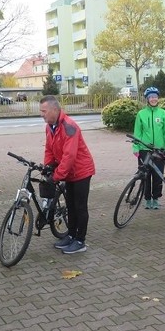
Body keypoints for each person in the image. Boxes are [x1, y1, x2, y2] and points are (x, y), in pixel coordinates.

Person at [39, 95, 96, 254]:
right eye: (40, 111)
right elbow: (49, 149)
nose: (41, 114)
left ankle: (80, 240)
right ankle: (71, 235)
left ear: (55, 110)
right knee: (70, 206)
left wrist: (56, 176)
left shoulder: (70, 127)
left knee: (80, 206)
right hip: (69, 172)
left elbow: (69, 156)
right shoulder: (50, 127)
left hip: (81, 171)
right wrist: (48, 167)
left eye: (44, 111)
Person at [132, 86, 165, 209]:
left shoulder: (163, 113)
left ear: (158, 98)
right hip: (144, 150)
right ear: (147, 99)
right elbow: (137, 132)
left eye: (155, 96)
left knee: (158, 176)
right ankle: (147, 199)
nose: (153, 99)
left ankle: (155, 199)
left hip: (159, 150)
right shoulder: (141, 114)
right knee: (145, 175)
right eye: (151, 97)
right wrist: (136, 148)